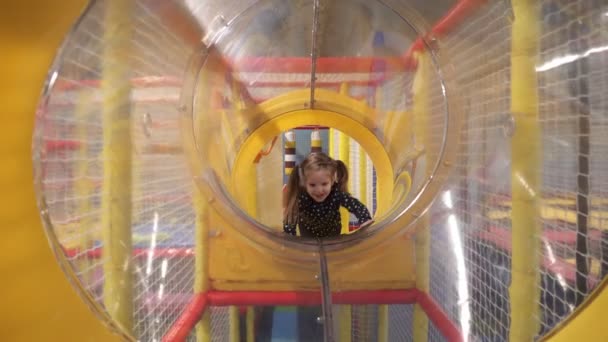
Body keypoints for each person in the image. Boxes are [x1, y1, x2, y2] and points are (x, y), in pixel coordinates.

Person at [283, 152, 373, 238]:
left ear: (332, 180)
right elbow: (291, 217)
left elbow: (355, 205)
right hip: (308, 238)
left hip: (333, 236)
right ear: (304, 183)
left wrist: (365, 220)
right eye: (312, 185)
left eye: (324, 184)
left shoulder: (336, 194)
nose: (319, 190)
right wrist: (290, 238)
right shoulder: (302, 197)